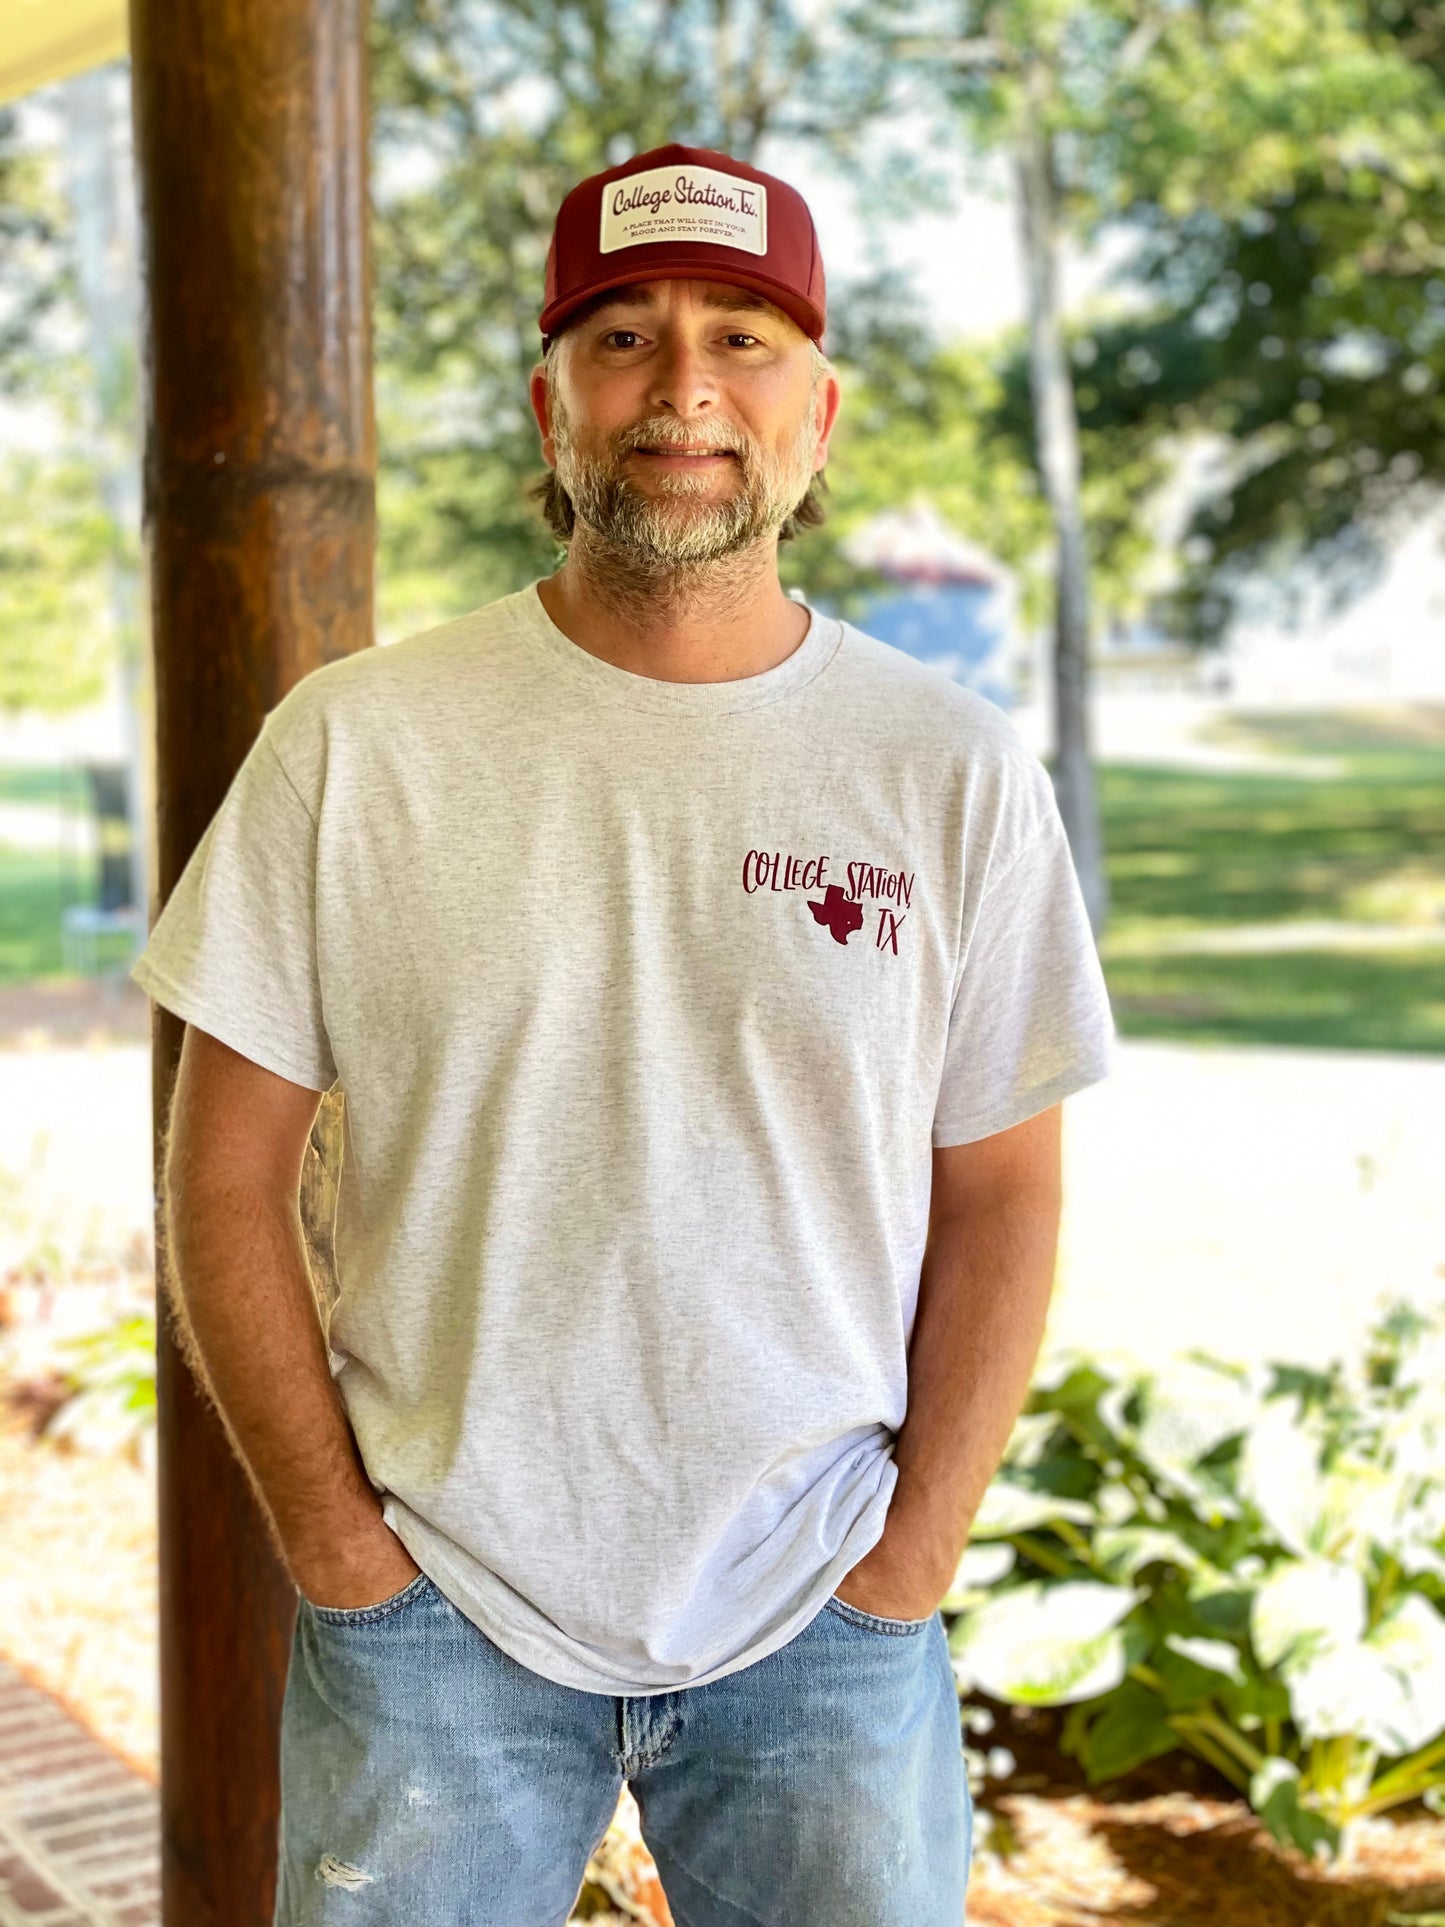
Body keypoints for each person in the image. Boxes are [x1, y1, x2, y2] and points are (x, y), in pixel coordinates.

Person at [132, 142, 1116, 1927]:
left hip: (819, 1611)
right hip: (432, 1613)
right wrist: (344, 1558)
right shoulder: (359, 741)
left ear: (818, 413)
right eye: (623, 337)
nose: (682, 387)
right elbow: (223, 1175)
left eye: (743, 339)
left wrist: (906, 1569)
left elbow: (1002, 1200)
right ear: (550, 406)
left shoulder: (946, 769)